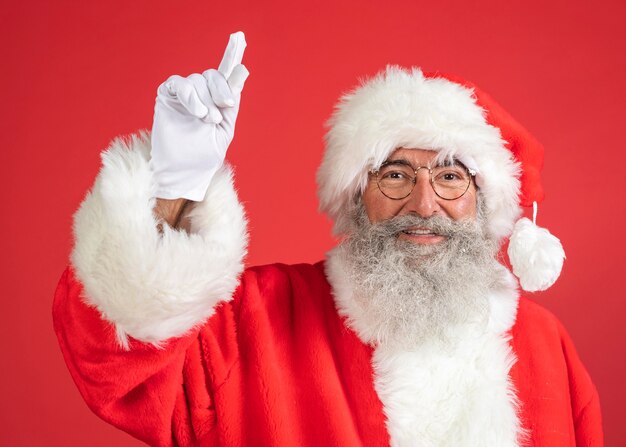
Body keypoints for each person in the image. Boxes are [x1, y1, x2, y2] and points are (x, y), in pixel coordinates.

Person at [53, 32, 603, 446]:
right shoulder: (254, 321)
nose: (423, 203)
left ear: (485, 203)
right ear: (355, 196)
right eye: (394, 174)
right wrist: (175, 188)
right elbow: (121, 362)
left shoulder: (544, 346)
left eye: (451, 176)